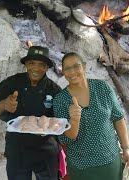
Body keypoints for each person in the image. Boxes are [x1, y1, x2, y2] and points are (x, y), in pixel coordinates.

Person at [0, 46, 62, 180]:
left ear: (47, 68)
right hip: (17, 149)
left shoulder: (55, 91)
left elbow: (62, 123)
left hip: (45, 150)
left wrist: (52, 128)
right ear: (25, 64)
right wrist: (4, 104)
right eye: (31, 63)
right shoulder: (13, 82)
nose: (36, 68)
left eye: (41, 65)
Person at [53, 52, 129, 180]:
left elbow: (118, 118)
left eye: (76, 66)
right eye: (67, 68)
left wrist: (126, 147)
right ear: (63, 72)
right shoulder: (60, 100)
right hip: (82, 167)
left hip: (110, 160)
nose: (72, 72)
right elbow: (66, 139)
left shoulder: (102, 87)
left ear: (84, 66)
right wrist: (75, 120)